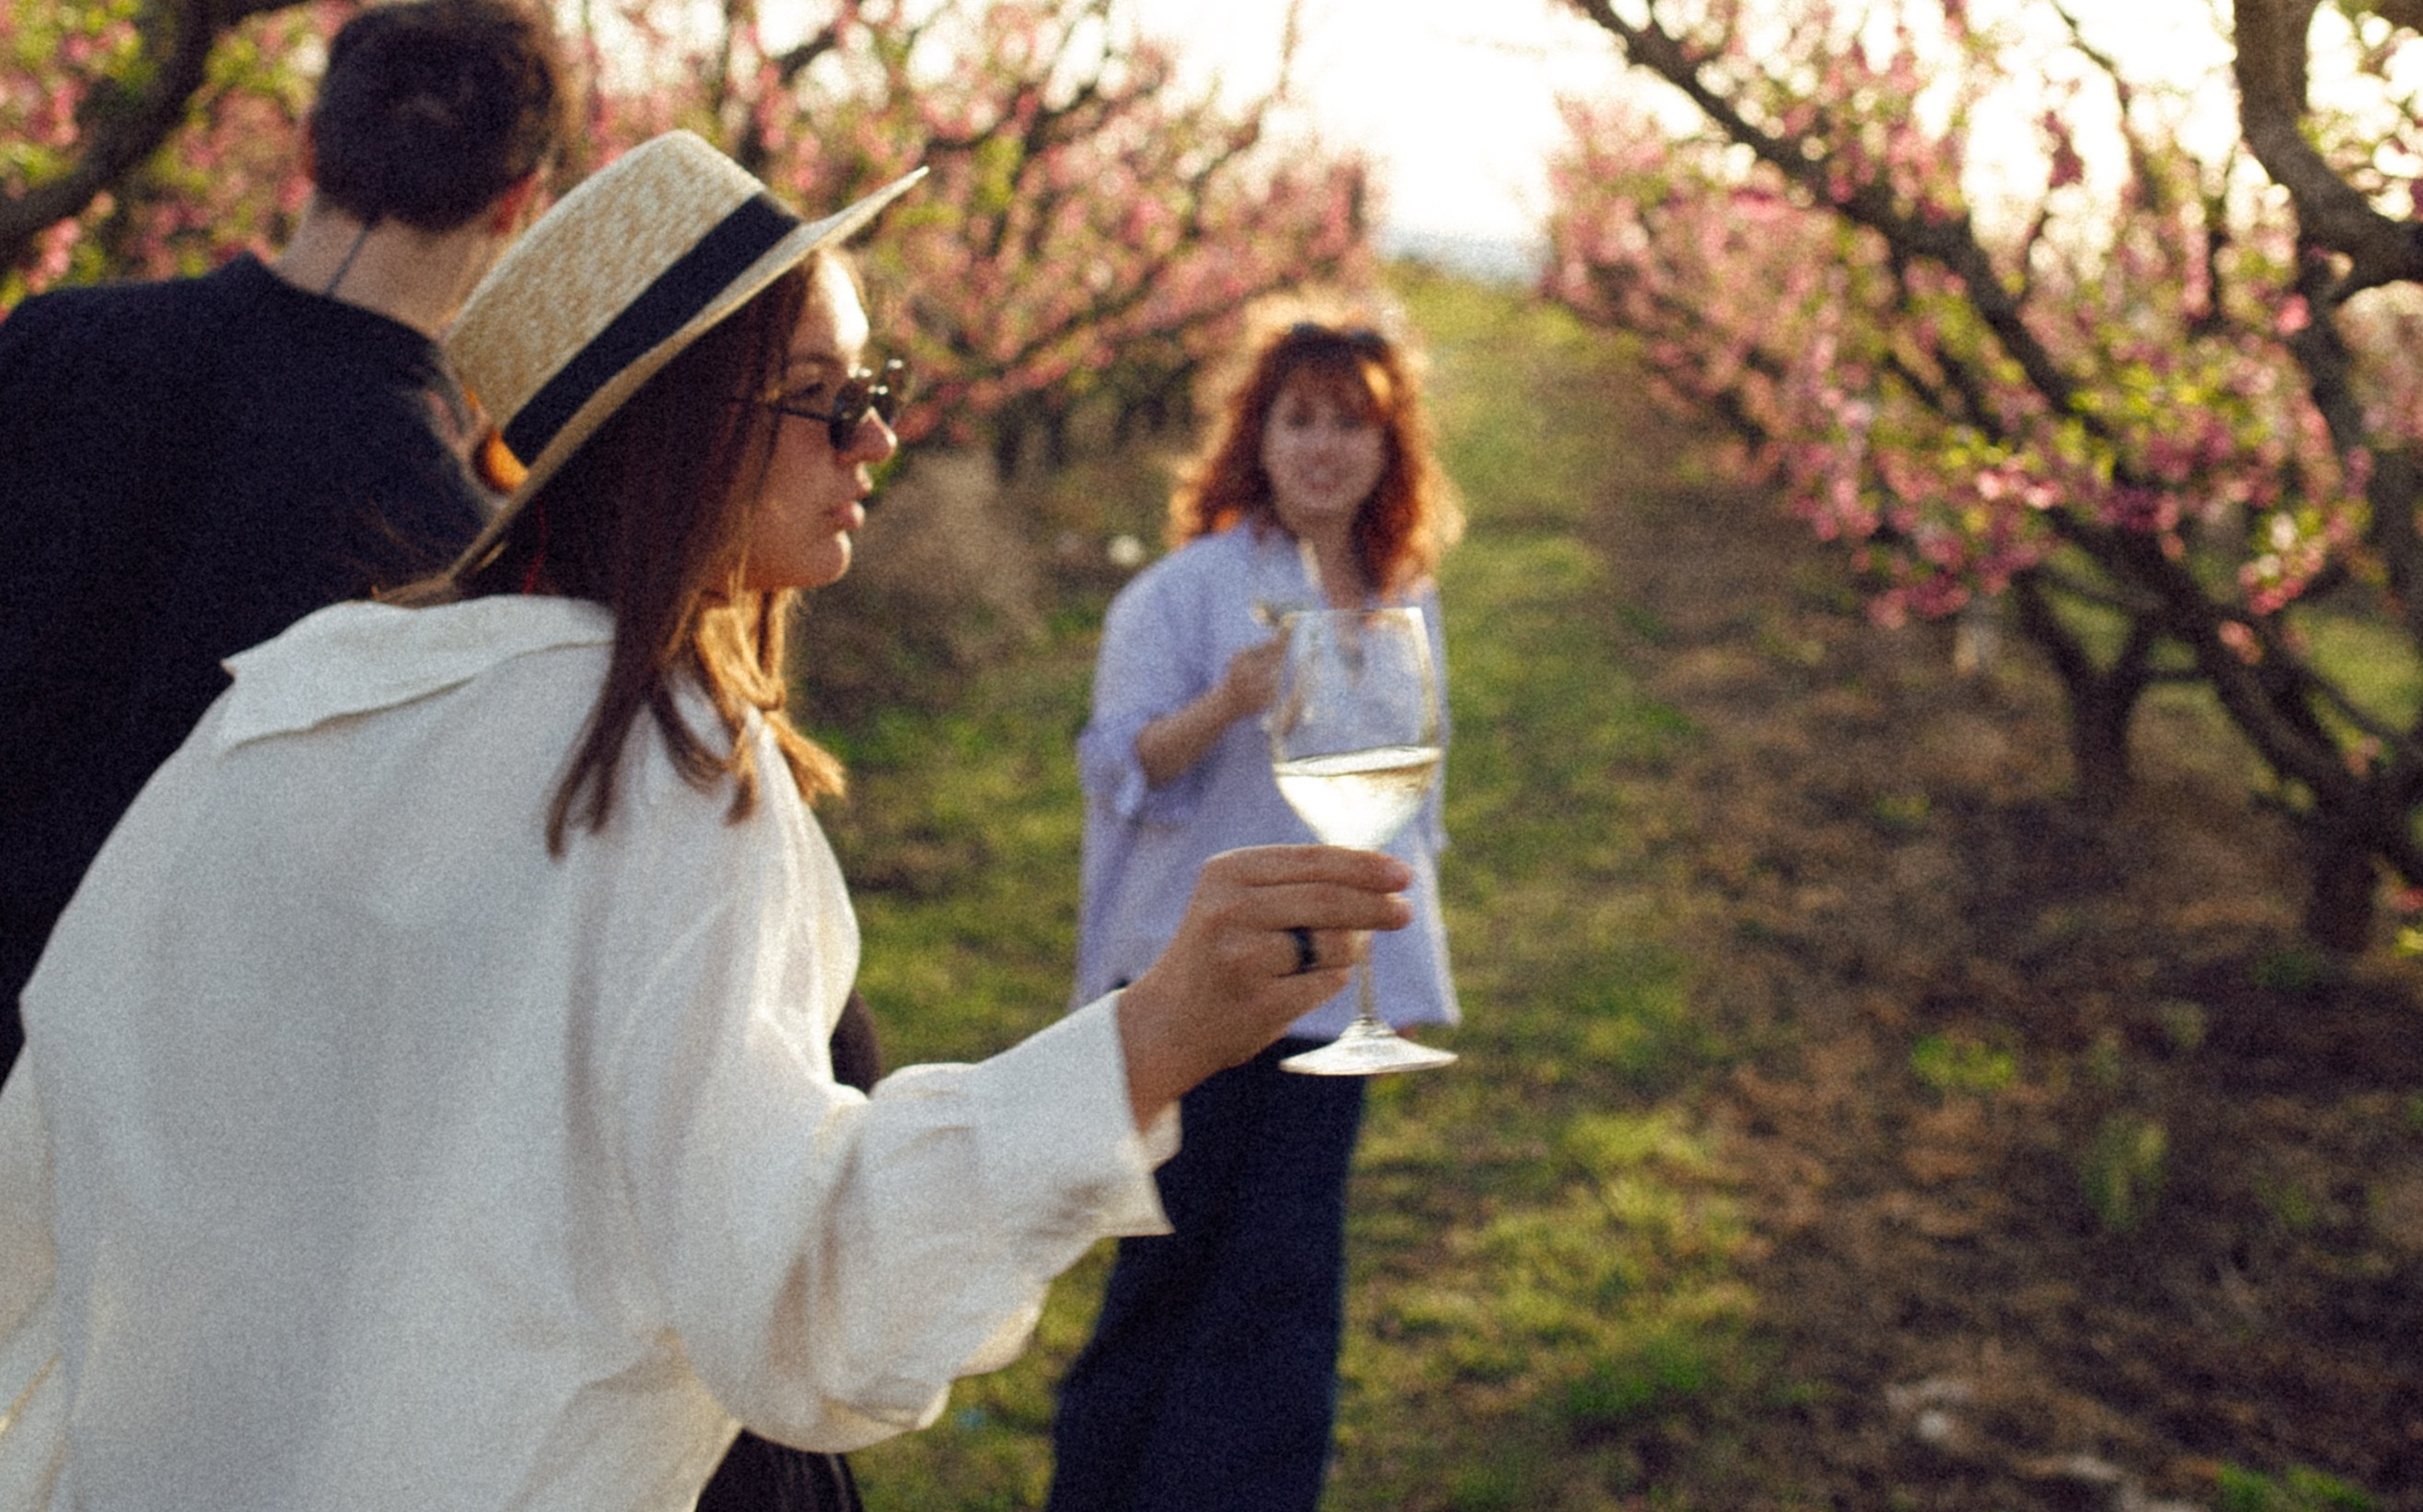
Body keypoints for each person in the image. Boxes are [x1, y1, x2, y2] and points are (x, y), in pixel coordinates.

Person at [0, 131, 1411, 1512]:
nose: (880, 436)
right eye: (823, 398)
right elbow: (798, 1297)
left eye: (873, 386)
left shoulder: (299, 701)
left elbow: (57, 1148)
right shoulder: (660, 772)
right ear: (676, 424)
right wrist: (1148, 1040)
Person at [0, 0, 571, 1075]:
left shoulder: (53, 341)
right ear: (516, 204)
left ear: (309, 146)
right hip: (132, 1082)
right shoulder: (452, 542)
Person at [1045, 311, 1463, 1512]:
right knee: (1168, 1263)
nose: (1324, 447)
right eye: (1300, 419)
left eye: (1352, 423)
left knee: (1286, 1276)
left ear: (1389, 446)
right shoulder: (1181, 593)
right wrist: (1225, 703)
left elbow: (1416, 788)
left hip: (1330, 980)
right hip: (1198, 975)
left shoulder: (1400, 596)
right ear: (1258, 437)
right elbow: (1119, 765)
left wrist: (1396, 963)